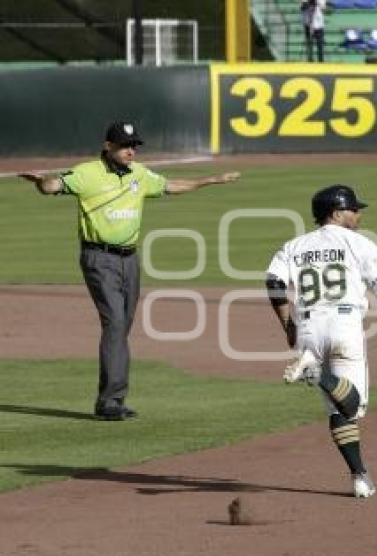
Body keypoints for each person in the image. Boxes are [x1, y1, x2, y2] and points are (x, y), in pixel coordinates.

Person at [18, 121, 241, 420]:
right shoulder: (88, 174)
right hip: (99, 258)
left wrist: (212, 180)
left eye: (134, 145)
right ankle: (109, 402)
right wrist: (41, 181)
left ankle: (114, 399)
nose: (130, 151)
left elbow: (170, 186)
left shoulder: (139, 175)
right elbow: (53, 185)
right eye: (124, 145)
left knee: (122, 327)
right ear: (108, 146)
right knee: (114, 322)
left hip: (130, 260)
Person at [265, 184, 377, 498]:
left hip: (309, 328)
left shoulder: (294, 246)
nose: (358, 214)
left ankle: (359, 477)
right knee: (352, 404)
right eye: (354, 209)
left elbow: (273, 282)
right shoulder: (359, 243)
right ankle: (317, 374)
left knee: (337, 410)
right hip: (344, 326)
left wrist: (287, 324)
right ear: (336, 212)